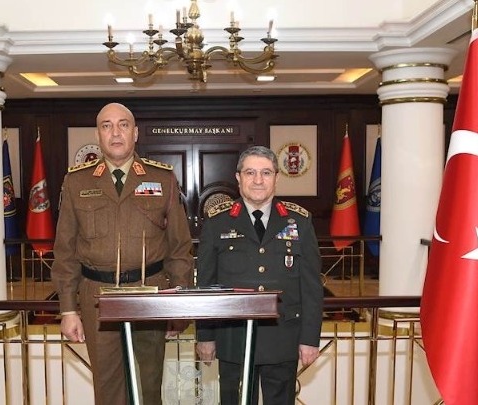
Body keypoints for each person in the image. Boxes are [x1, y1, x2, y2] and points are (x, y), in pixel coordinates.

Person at [52, 102, 194, 405]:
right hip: (96, 297)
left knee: (148, 387)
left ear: (136, 133)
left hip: (151, 296)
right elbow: (65, 252)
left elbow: (180, 248)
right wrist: (68, 310)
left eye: (123, 125)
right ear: (98, 135)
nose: (115, 133)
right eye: (107, 126)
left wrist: (178, 305)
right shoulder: (77, 181)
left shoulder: (163, 178)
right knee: (107, 389)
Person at [195, 145, 323, 405]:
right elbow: (206, 284)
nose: (258, 180)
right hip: (234, 338)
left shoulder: (299, 221)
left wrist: (310, 339)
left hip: (283, 337)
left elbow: (311, 286)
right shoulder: (217, 222)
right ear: (238, 177)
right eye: (250, 172)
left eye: (266, 173)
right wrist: (205, 335)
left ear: (276, 177)